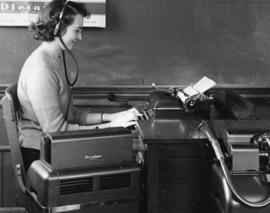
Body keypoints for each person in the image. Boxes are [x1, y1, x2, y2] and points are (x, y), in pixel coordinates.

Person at [17, 0, 141, 170]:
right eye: (77, 30)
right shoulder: (41, 70)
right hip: (41, 157)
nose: (80, 37)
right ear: (58, 29)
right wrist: (110, 128)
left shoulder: (54, 60)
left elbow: (72, 114)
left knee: (124, 153)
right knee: (122, 158)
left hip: (56, 148)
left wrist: (111, 118)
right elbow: (56, 131)